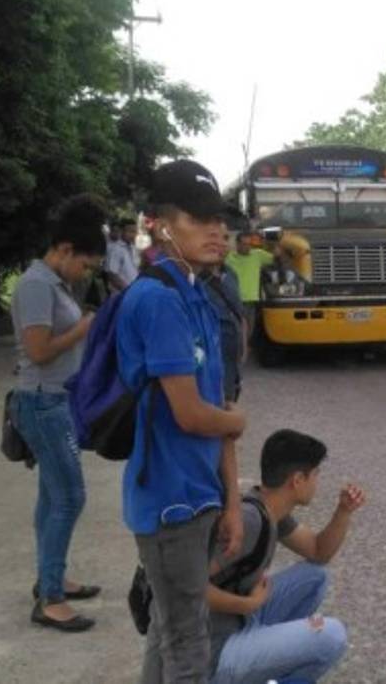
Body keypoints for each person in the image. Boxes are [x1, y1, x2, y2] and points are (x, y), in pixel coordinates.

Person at [117, 159, 247, 683]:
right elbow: (194, 415)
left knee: (169, 632)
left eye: (219, 219)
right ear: (160, 226)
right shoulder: (157, 301)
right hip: (169, 501)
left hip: (199, 493)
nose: (217, 231)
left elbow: (218, 403)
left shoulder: (198, 294)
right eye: (199, 219)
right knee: (188, 644)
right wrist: (236, 423)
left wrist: (231, 501)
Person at [9, 194, 109, 633]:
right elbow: (38, 351)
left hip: (56, 399)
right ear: (65, 250)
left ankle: (51, 576)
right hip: (42, 402)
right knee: (70, 497)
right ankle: (50, 599)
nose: (86, 272)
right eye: (85, 264)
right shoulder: (36, 285)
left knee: (52, 496)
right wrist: (83, 328)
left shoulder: (55, 283)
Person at [208, 429, 361, 684]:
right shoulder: (249, 519)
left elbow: (318, 551)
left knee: (315, 576)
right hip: (215, 651)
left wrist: (343, 511)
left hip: (241, 621)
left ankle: (268, 667)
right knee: (332, 635)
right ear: (298, 480)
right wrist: (247, 604)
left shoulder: (269, 509)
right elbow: (187, 590)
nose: (317, 482)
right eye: (316, 474)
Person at [203, 222, 248, 402]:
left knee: (231, 399)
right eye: (214, 237)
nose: (223, 244)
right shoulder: (193, 280)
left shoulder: (231, 274)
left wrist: (243, 348)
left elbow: (239, 313)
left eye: (226, 238)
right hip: (210, 366)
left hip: (232, 361)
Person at [224, 231, 274, 340]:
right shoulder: (228, 258)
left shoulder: (258, 255)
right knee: (237, 330)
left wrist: (273, 243)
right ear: (237, 244)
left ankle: (244, 348)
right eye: (244, 244)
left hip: (251, 301)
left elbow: (276, 258)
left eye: (249, 244)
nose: (247, 247)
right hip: (234, 301)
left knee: (249, 331)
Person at [107, 217, 141, 292]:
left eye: (134, 232)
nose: (133, 235)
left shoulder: (133, 248)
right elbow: (112, 274)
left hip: (134, 290)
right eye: (130, 231)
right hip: (122, 293)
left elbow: (136, 269)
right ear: (122, 231)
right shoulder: (116, 249)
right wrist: (127, 290)